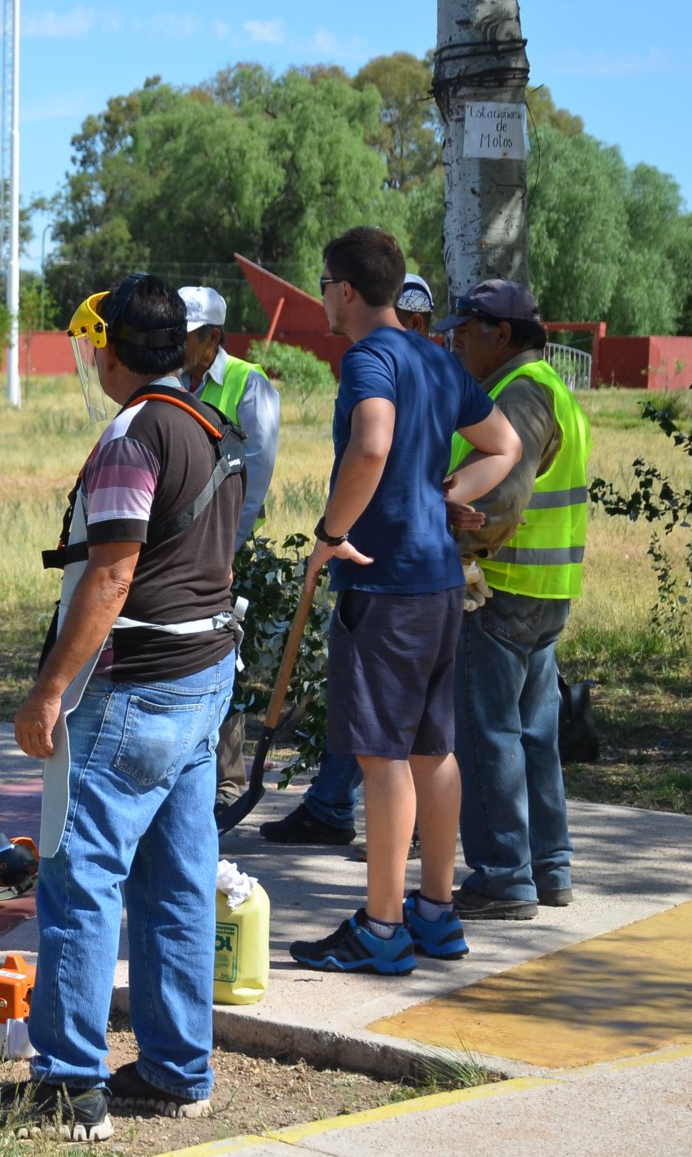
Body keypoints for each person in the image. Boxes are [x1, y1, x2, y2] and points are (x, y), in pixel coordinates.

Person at [0, 274, 245, 1140]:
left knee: (81, 879)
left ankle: (70, 1084)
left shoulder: (131, 438)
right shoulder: (212, 424)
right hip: (204, 679)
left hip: (135, 689)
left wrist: (50, 690)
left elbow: (111, 575)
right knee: (177, 881)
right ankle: (180, 1073)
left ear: (107, 350)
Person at [289, 229, 521, 977]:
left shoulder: (368, 358)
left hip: (383, 583)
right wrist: (447, 494)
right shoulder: (435, 358)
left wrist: (331, 530)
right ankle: (434, 912)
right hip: (440, 580)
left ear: (347, 290)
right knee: (432, 749)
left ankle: (383, 929)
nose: (322, 296)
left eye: (324, 283)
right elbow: (503, 445)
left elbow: (371, 446)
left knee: (382, 753)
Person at [259, 272, 440, 852]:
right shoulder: (425, 372)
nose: (411, 334)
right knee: (377, 716)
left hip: (394, 573)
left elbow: (372, 451)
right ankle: (334, 805)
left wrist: (329, 533)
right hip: (411, 571)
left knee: (392, 734)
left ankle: (387, 906)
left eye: (418, 325)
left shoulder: (394, 368)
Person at [440, 280, 592, 920]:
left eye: (466, 329)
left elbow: (495, 501)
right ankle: (548, 868)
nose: (455, 339)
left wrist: (445, 529)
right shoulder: (551, 388)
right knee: (534, 734)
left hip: (497, 590)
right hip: (544, 590)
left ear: (501, 334)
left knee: (489, 736)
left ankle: (503, 876)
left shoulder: (520, 395)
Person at [176, 285, 280, 814]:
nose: (177, 345)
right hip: (175, 542)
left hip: (223, 544)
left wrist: (229, 546)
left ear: (213, 337)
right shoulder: (171, 380)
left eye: (187, 336)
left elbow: (256, 473)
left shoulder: (248, 384)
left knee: (223, 653)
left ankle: (227, 780)